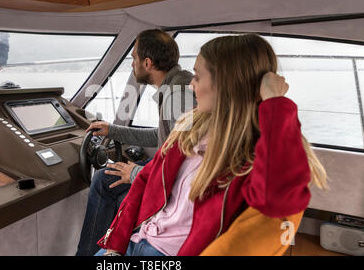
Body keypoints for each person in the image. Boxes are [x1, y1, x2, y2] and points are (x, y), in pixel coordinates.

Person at [96, 34, 328, 256]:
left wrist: (276, 103)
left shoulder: (255, 158)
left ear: (226, 85)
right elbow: (147, 178)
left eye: (197, 76)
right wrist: (114, 247)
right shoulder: (190, 130)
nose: (191, 85)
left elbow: (277, 200)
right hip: (137, 240)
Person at [76, 29, 196, 256]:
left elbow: (189, 163)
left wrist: (136, 174)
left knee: (103, 180)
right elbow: (161, 138)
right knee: (107, 177)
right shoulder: (176, 86)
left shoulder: (178, 96)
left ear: (148, 63)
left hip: (176, 185)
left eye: (133, 58)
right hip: (168, 171)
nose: (132, 64)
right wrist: (113, 130)